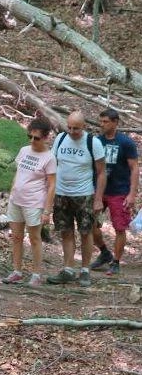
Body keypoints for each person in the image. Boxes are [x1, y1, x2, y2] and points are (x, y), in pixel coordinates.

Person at [47, 111, 106, 287]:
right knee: (65, 231)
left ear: (84, 127)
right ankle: (68, 269)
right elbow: (52, 164)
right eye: (70, 127)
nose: (72, 131)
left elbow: (102, 173)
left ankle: (85, 270)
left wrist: (98, 198)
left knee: (86, 232)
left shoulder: (93, 143)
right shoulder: (60, 139)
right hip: (61, 193)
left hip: (84, 194)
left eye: (76, 129)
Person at [2, 117, 56, 287]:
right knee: (16, 237)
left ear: (46, 137)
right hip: (16, 200)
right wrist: (11, 193)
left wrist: (47, 211)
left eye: (37, 138)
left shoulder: (49, 157)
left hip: (34, 202)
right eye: (30, 137)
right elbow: (18, 174)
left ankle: (37, 273)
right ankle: (17, 271)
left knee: (34, 238)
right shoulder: (24, 150)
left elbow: (52, 185)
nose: (32, 141)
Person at [88, 108, 137, 276]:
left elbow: (134, 168)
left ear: (115, 122)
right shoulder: (96, 141)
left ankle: (115, 262)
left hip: (119, 191)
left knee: (119, 228)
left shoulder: (126, 143)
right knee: (90, 225)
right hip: (98, 191)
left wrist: (132, 194)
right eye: (101, 121)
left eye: (106, 122)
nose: (102, 125)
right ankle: (104, 253)